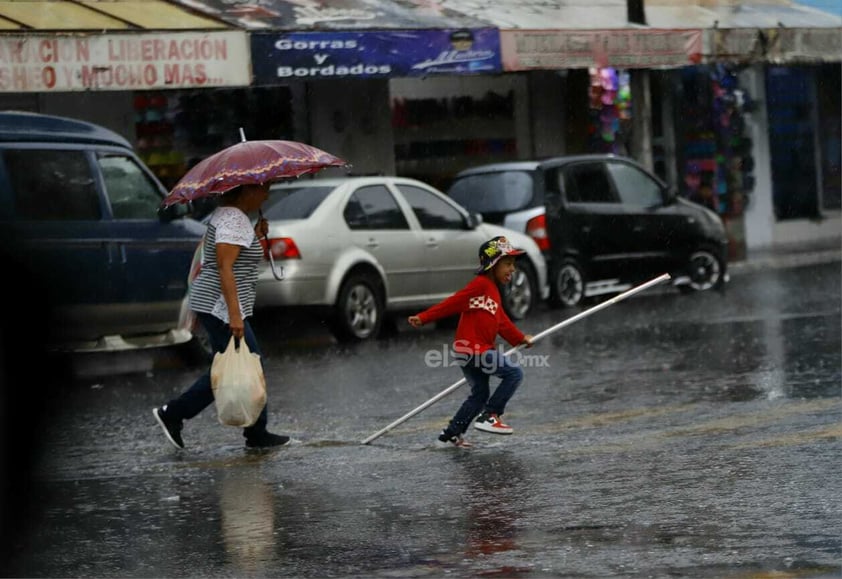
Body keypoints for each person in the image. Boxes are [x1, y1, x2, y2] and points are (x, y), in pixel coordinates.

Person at [153, 182, 289, 449]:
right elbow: (225, 268)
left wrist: (256, 236)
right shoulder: (233, 220)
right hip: (220, 306)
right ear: (247, 191)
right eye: (264, 189)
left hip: (217, 303)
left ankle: (253, 432)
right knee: (245, 364)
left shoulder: (233, 218)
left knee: (231, 366)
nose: (267, 194)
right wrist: (235, 316)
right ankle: (176, 414)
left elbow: (237, 260)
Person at [408, 236, 534, 447]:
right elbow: (453, 303)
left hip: (469, 351)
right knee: (514, 373)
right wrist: (424, 317)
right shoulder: (480, 285)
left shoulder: (492, 292)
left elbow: (502, 322)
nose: (512, 269)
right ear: (492, 264)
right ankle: (490, 415)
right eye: (508, 264)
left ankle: (450, 435)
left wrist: (520, 339)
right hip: (474, 349)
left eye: (513, 264)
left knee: (480, 394)